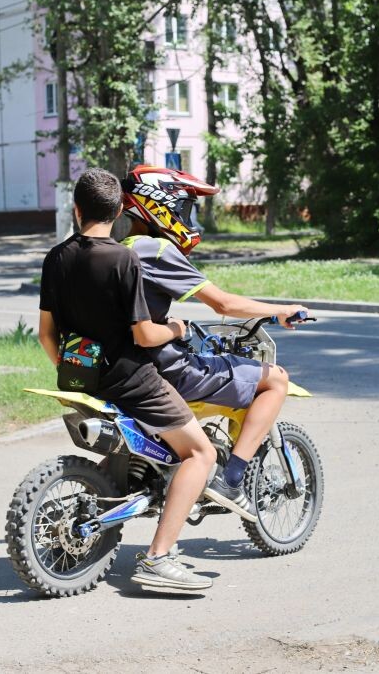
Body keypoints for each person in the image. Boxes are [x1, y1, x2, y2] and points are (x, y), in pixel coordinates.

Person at [38, 168, 233, 591]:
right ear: (120, 210)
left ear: (76, 209)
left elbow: (45, 335)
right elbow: (145, 334)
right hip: (132, 380)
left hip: (79, 379)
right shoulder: (125, 259)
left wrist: (73, 368)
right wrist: (179, 330)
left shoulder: (56, 257)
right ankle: (159, 558)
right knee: (201, 454)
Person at [119, 168, 305, 520]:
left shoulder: (118, 250)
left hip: (123, 368)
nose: (189, 220)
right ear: (160, 207)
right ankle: (232, 481)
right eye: (185, 209)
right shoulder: (156, 250)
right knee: (275, 379)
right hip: (164, 369)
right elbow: (223, 304)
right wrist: (281, 311)